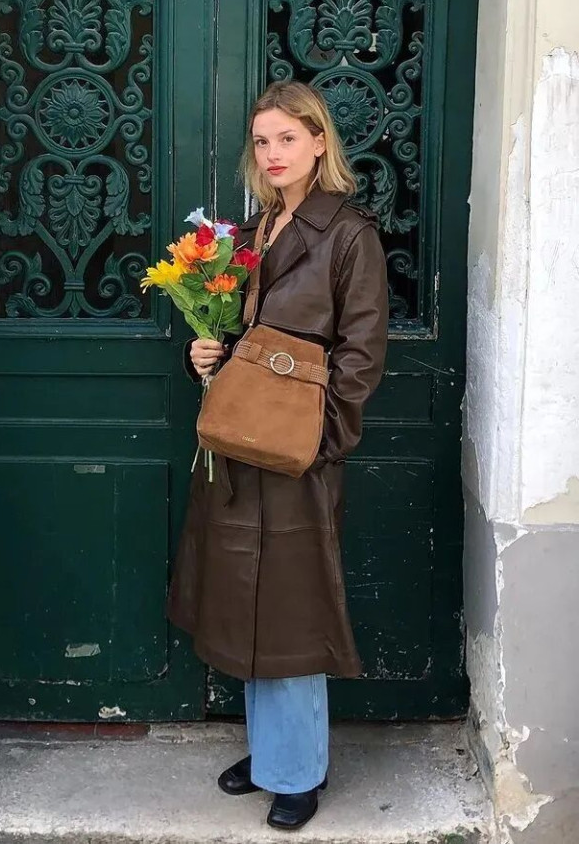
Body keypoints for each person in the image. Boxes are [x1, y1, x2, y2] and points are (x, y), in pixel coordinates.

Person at [167, 81, 389, 831]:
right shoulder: (255, 230)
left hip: (296, 451)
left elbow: (362, 355)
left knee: (292, 607)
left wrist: (319, 441)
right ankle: (270, 754)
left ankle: (298, 771)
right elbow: (241, 337)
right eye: (262, 142)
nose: (273, 153)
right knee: (246, 601)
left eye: (287, 139)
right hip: (241, 441)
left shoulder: (348, 233)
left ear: (319, 142)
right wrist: (207, 356)